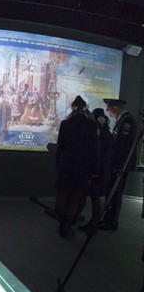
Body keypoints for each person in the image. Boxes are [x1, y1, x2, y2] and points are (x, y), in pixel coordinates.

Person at [53, 96, 98, 237]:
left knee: (62, 195)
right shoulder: (91, 125)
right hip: (82, 167)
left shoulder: (65, 124)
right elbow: (94, 150)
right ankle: (65, 227)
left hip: (65, 165)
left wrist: (58, 164)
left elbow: (60, 147)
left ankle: (62, 223)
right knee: (75, 198)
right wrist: (94, 170)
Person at [100, 98, 140, 230]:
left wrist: (119, 166)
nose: (108, 112)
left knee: (115, 193)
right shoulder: (122, 120)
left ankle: (111, 221)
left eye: (109, 109)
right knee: (111, 192)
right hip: (118, 164)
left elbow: (124, 146)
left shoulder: (127, 121)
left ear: (116, 108)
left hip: (120, 165)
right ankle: (108, 219)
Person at [77, 107, 113, 233]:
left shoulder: (101, 135)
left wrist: (93, 172)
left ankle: (94, 224)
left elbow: (97, 154)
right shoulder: (106, 134)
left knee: (95, 198)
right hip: (101, 171)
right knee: (94, 197)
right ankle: (93, 222)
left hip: (98, 173)